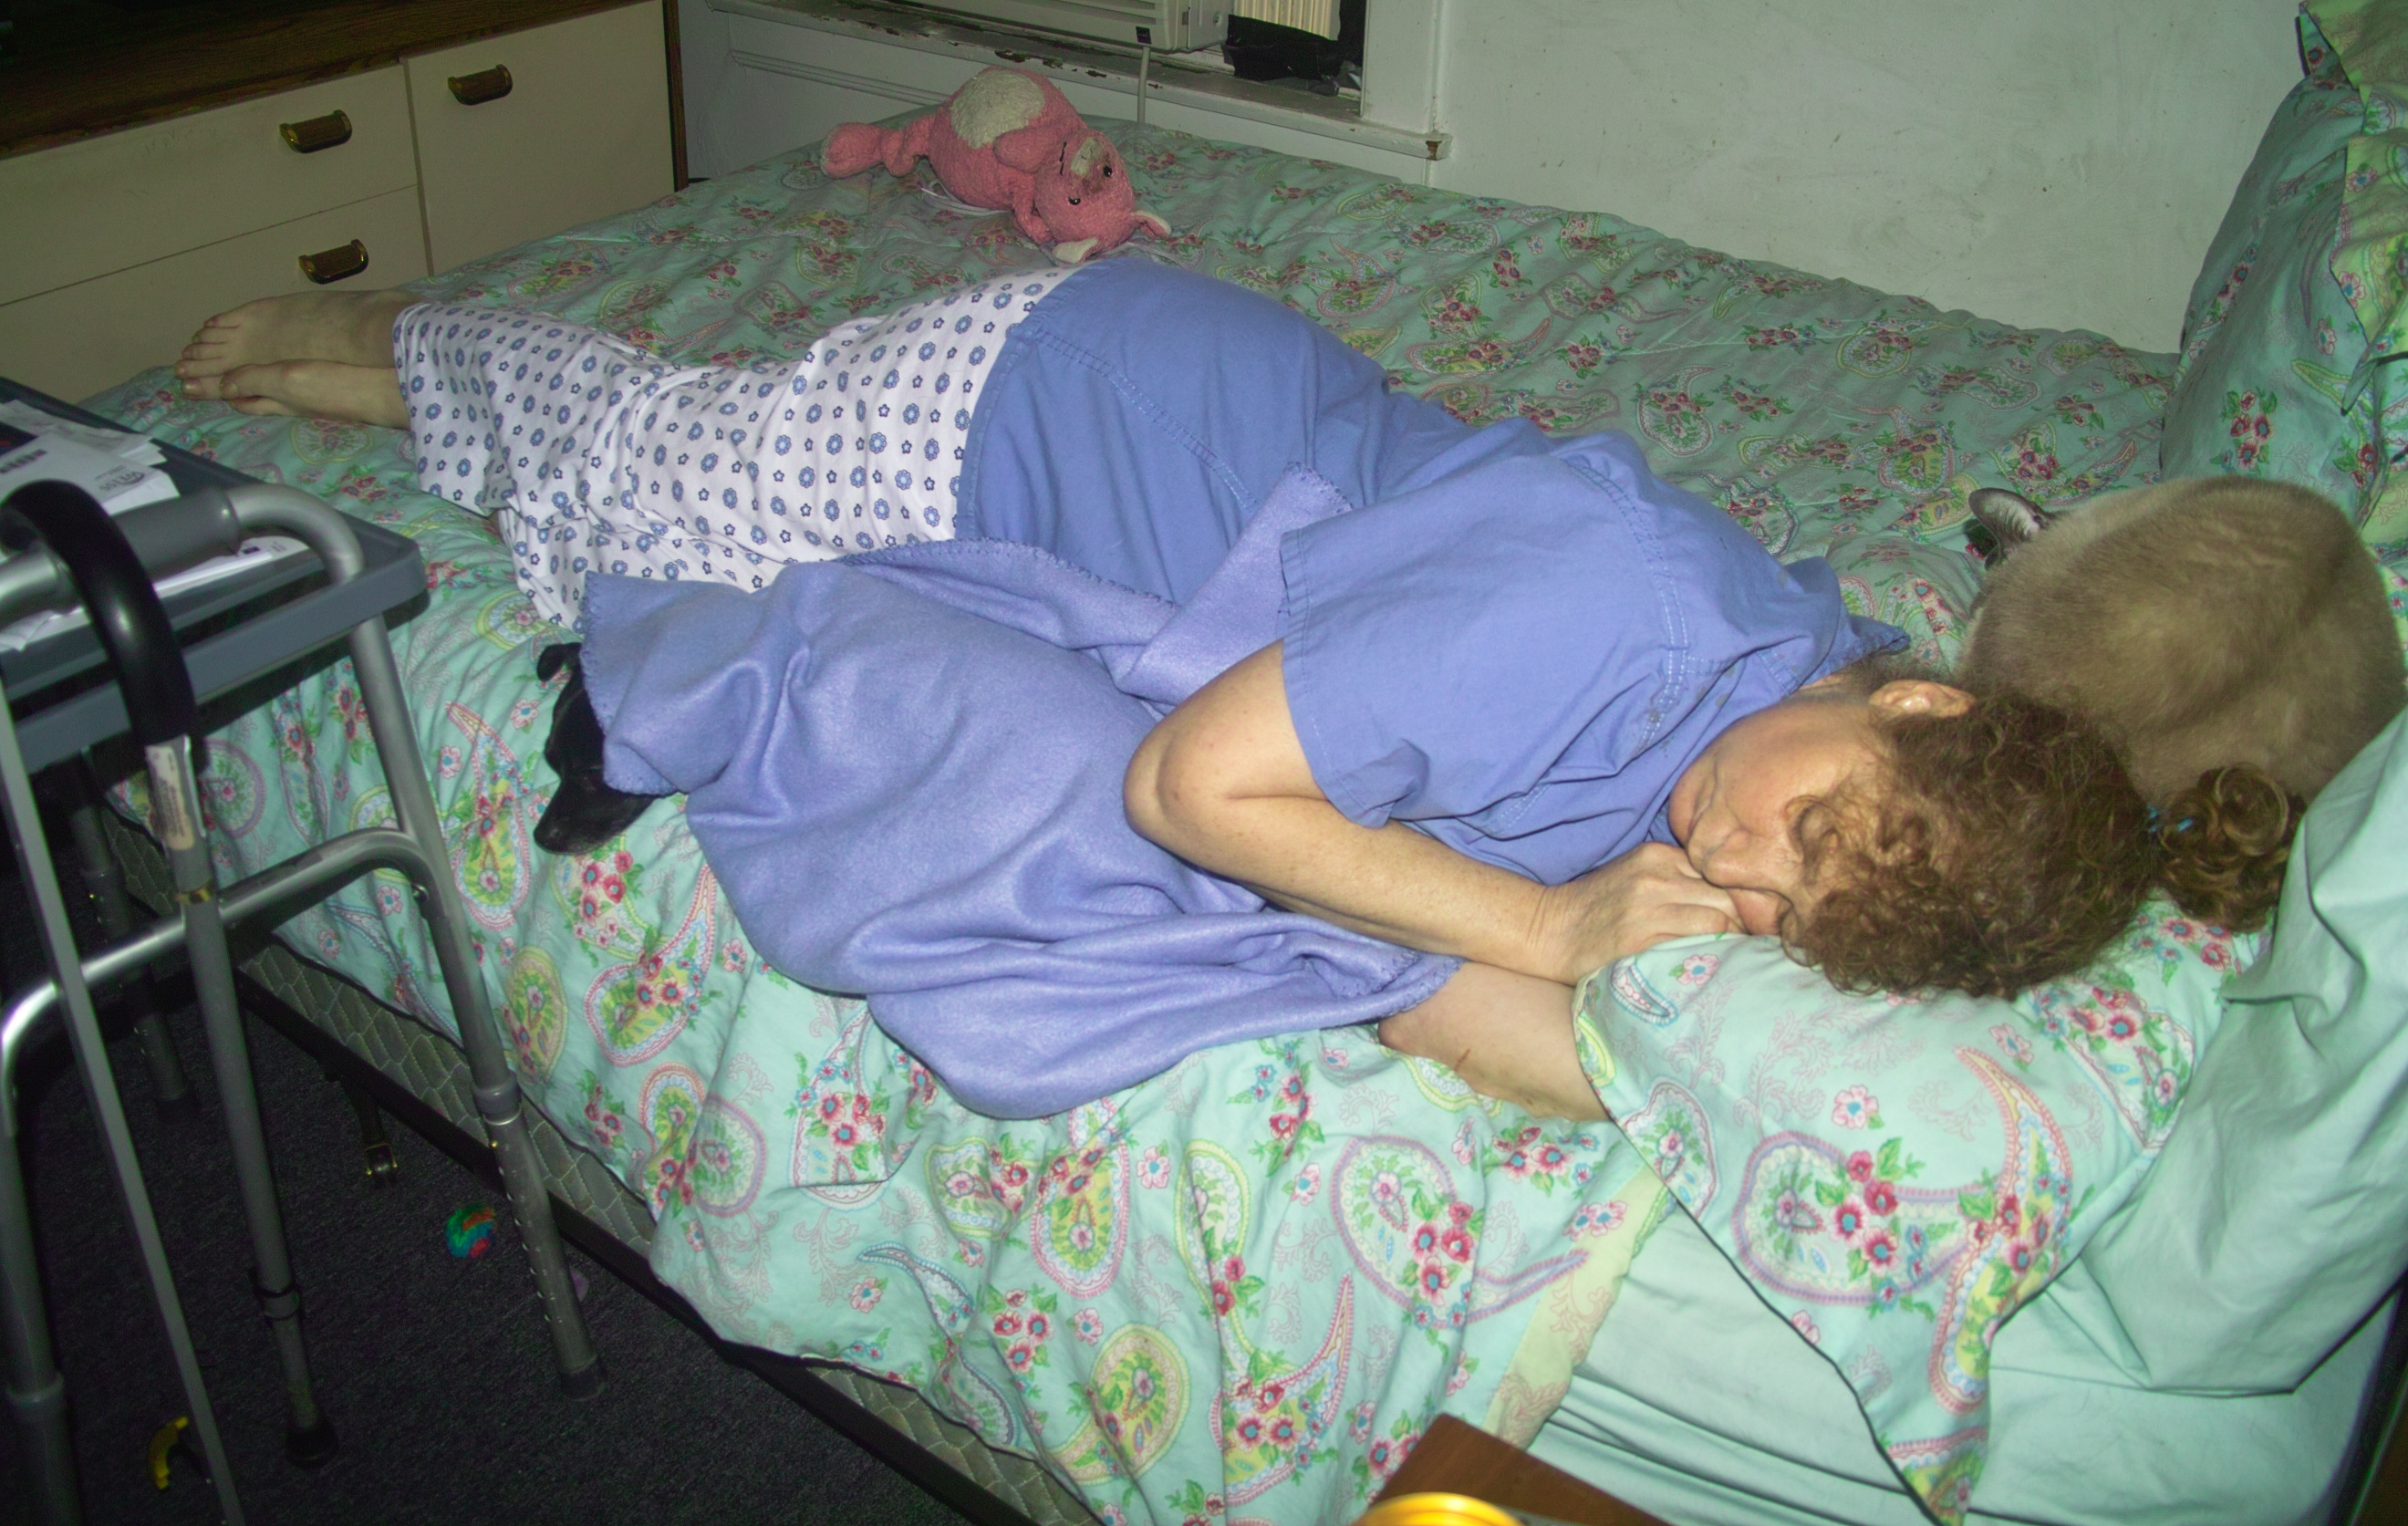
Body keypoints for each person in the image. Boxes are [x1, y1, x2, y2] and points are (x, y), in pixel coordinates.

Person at [176, 264, 2156, 1118]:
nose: (1735, 862)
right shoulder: (1612, 605)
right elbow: (1189, 795)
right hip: (1048, 415)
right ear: (1914, 704)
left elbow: (1489, 999)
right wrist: (1552, 928)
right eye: (1801, 830)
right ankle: (400, 330)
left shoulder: (1776, 701)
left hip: (1207, 487)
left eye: (1784, 904)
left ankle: (410, 383)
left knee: (643, 516)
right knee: (641, 473)